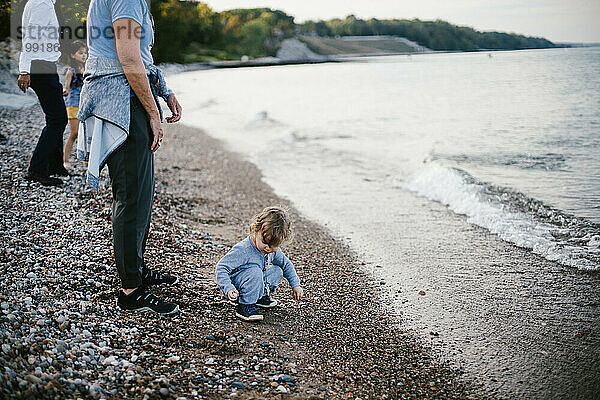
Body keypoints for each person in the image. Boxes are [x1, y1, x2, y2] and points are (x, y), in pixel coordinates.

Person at [78, 0, 183, 314]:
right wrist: (153, 112)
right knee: (132, 195)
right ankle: (130, 291)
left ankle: (134, 269)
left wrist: (164, 90)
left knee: (141, 194)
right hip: (120, 102)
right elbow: (127, 56)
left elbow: (141, 57)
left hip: (126, 94)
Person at [216, 206, 304, 322]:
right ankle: (245, 305)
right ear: (255, 230)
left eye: (274, 245)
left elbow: (286, 265)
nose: (268, 248)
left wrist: (295, 285)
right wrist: (228, 288)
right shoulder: (243, 250)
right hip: (238, 289)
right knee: (255, 271)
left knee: (278, 270)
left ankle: (260, 297)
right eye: (265, 242)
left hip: (255, 282)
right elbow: (221, 267)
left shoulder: (273, 250)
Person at [17, 0, 69, 186]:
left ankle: (55, 165)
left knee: (55, 117)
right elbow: (30, 38)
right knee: (58, 119)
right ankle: (37, 170)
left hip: (46, 66)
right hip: (39, 66)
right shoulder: (41, 3)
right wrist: (24, 70)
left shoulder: (45, 3)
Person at [62, 40, 87, 169]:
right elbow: (66, 87)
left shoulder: (87, 69)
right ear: (72, 55)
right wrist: (65, 90)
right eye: (80, 53)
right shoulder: (71, 70)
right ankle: (65, 160)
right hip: (73, 104)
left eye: (85, 53)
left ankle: (86, 160)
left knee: (86, 132)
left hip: (85, 105)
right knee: (74, 133)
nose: (84, 55)